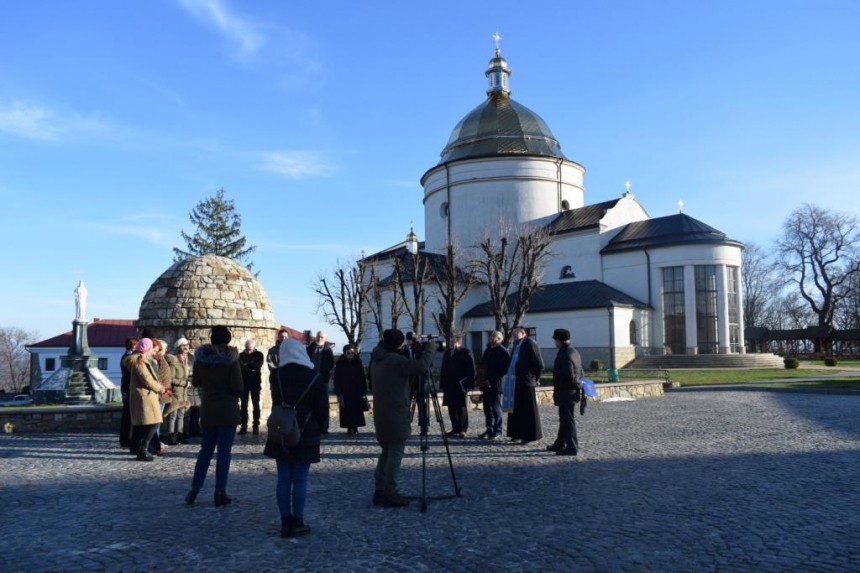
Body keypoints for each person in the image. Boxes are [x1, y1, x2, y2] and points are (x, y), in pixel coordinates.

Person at [264, 338, 329, 538]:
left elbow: (277, 401)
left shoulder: (276, 376)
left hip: (282, 428)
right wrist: (323, 428)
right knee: (300, 479)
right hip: (306, 431)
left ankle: (285, 522)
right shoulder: (314, 377)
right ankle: (298, 521)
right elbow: (321, 407)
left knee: (283, 478)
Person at [370, 329, 436, 508]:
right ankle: (390, 492)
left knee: (386, 452)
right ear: (396, 344)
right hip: (395, 415)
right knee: (395, 453)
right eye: (401, 344)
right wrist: (430, 349)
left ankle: (380, 490)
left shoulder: (377, 359)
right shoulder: (395, 361)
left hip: (382, 415)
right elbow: (421, 367)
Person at [185, 326, 244, 507]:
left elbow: (196, 382)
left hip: (209, 408)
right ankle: (220, 491)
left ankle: (195, 488)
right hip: (227, 409)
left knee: (205, 450)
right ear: (227, 339)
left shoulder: (201, 358)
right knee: (224, 453)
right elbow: (238, 387)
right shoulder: (232, 359)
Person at [128, 338, 170, 462]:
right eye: (151, 348)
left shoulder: (144, 361)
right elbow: (147, 380)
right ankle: (143, 450)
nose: (153, 351)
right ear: (147, 349)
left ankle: (142, 449)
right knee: (154, 422)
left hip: (148, 396)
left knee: (148, 424)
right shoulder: (139, 362)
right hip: (145, 396)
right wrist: (162, 389)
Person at [506, 326, 544, 446]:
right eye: (514, 334)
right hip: (515, 382)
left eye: (517, 333)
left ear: (524, 333)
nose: (515, 335)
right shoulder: (516, 346)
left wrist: (534, 378)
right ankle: (517, 433)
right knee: (517, 410)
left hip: (527, 382)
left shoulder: (530, 344)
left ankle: (530, 435)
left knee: (528, 411)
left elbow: (539, 364)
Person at [548, 329, 583, 456]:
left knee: (567, 420)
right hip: (570, 392)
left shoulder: (565, 354)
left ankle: (572, 447)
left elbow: (569, 376)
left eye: (555, 340)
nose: (554, 343)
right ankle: (560, 443)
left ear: (559, 341)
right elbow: (580, 371)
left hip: (566, 392)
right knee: (565, 419)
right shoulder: (574, 351)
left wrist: (577, 384)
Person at [440, 334, 475, 438]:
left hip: (460, 384)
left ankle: (463, 429)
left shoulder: (466, 352)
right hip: (449, 384)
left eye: (452, 342)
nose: (450, 344)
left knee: (460, 407)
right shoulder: (447, 353)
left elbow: (471, 369)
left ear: (459, 342)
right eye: (450, 342)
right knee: (451, 406)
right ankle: (455, 427)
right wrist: (442, 383)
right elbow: (443, 369)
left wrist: (470, 384)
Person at [480, 330, 510, 440]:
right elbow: (483, 365)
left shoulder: (502, 351)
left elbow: (503, 369)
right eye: (491, 336)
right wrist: (481, 378)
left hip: (496, 384)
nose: (491, 338)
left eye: (493, 337)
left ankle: (498, 430)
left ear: (499, 339)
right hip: (485, 383)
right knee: (487, 408)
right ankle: (489, 428)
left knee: (496, 407)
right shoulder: (488, 350)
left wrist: (491, 380)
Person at [333, 344, 368, 435]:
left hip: (357, 390)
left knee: (356, 410)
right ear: (344, 353)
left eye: (352, 353)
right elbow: (337, 378)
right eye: (349, 353)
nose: (351, 355)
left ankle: (355, 427)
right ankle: (349, 427)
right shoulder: (340, 363)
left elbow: (362, 376)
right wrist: (338, 392)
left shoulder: (358, 361)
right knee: (347, 411)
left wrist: (364, 390)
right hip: (345, 391)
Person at [164, 338, 192, 445]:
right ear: (178, 354)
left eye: (185, 355)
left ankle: (180, 434)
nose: (184, 356)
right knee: (173, 415)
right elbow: (171, 379)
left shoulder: (183, 365)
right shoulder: (174, 364)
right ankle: (171, 435)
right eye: (182, 354)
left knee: (181, 415)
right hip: (176, 393)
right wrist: (184, 383)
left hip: (183, 394)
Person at [307, 331, 334, 434]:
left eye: (322, 337)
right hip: (311, 380)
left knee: (324, 404)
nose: (320, 338)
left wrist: (323, 373)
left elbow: (330, 364)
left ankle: (324, 427)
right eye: (318, 336)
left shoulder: (328, 350)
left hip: (323, 380)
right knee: (311, 404)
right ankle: (312, 426)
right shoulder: (309, 349)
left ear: (325, 338)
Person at [238, 338, 265, 435]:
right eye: (247, 349)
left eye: (250, 349)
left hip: (255, 383)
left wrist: (247, 365)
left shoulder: (259, 355)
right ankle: (244, 426)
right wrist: (251, 368)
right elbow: (241, 367)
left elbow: (258, 365)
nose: (249, 351)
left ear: (254, 347)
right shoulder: (240, 355)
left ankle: (255, 426)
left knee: (256, 405)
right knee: (243, 405)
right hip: (244, 383)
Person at [119, 337, 138, 449]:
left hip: (126, 388)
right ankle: (125, 439)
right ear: (133, 346)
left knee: (128, 416)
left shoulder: (125, 357)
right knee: (128, 417)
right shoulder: (128, 358)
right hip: (128, 389)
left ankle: (126, 439)